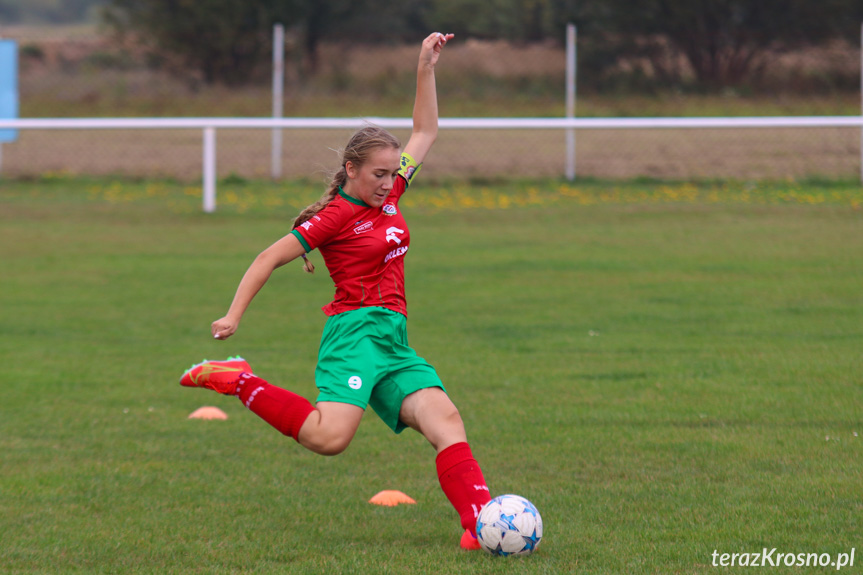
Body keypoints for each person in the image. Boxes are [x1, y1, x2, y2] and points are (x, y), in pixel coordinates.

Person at [179, 32, 491, 550]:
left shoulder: (390, 196)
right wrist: (232, 315)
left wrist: (425, 67)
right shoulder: (335, 217)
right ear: (351, 170)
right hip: (353, 334)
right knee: (329, 438)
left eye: (394, 174)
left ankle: (479, 524)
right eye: (378, 174)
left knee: (446, 420)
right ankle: (238, 380)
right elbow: (267, 258)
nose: (390, 183)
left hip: (392, 339)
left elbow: (426, 130)